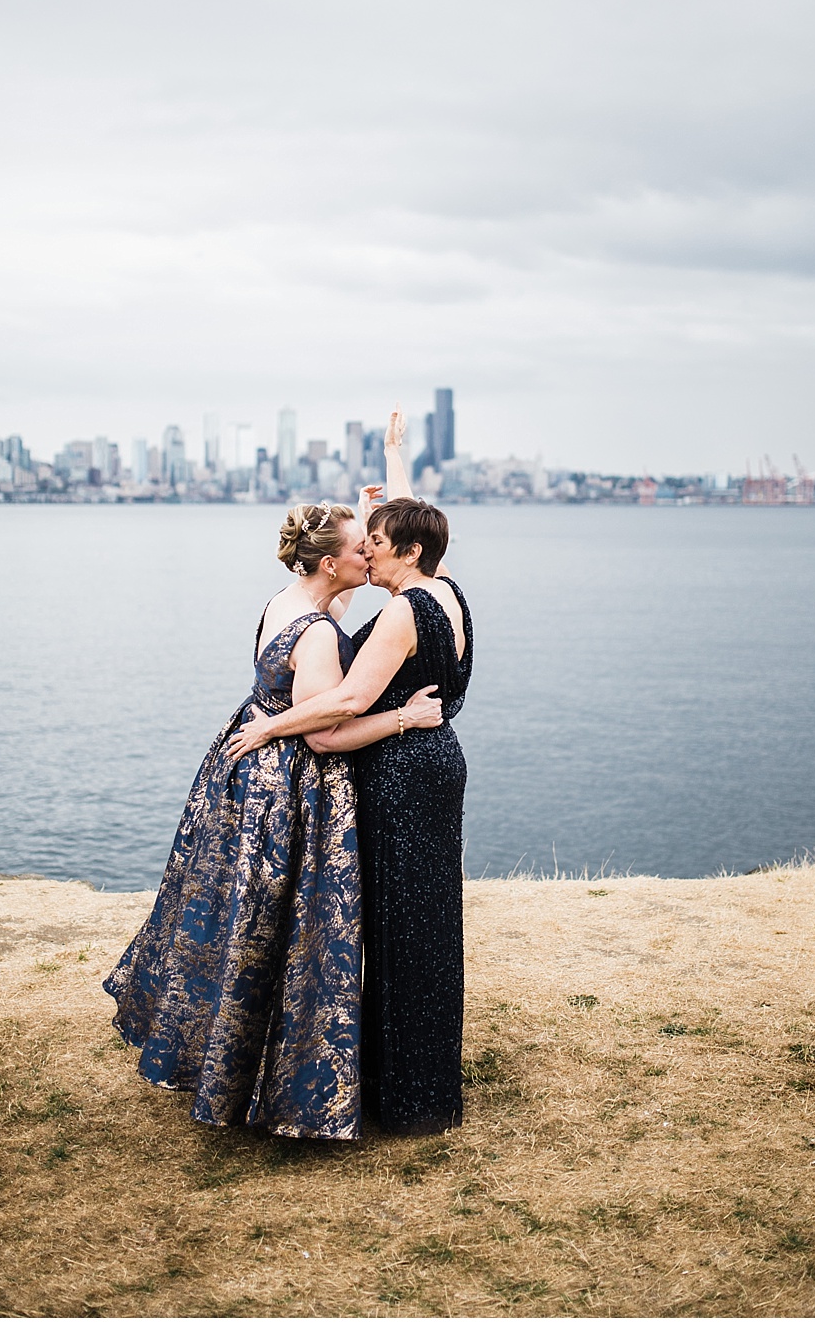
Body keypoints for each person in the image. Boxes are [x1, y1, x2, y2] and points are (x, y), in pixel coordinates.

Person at [103, 500, 443, 1141]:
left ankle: (221, 1058)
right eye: (357, 547)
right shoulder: (318, 632)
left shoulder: (290, 601)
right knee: (294, 928)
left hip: (243, 774)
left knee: (242, 921)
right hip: (289, 783)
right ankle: (289, 1086)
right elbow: (327, 726)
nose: (367, 554)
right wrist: (405, 719)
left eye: (372, 545)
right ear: (328, 563)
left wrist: (381, 503)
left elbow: (373, 569)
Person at [228, 410, 474, 1135]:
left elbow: (347, 701)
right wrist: (395, 462)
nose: (368, 546)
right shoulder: (448, 589)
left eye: (377, 540)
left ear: (406, 551)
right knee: (427, 923)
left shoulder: (402, 613)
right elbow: (418, 527)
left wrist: (268, 724)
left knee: (397, 929)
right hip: (438, 765)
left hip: (399, 769)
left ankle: (402, 1097)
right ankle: (425, 1085)